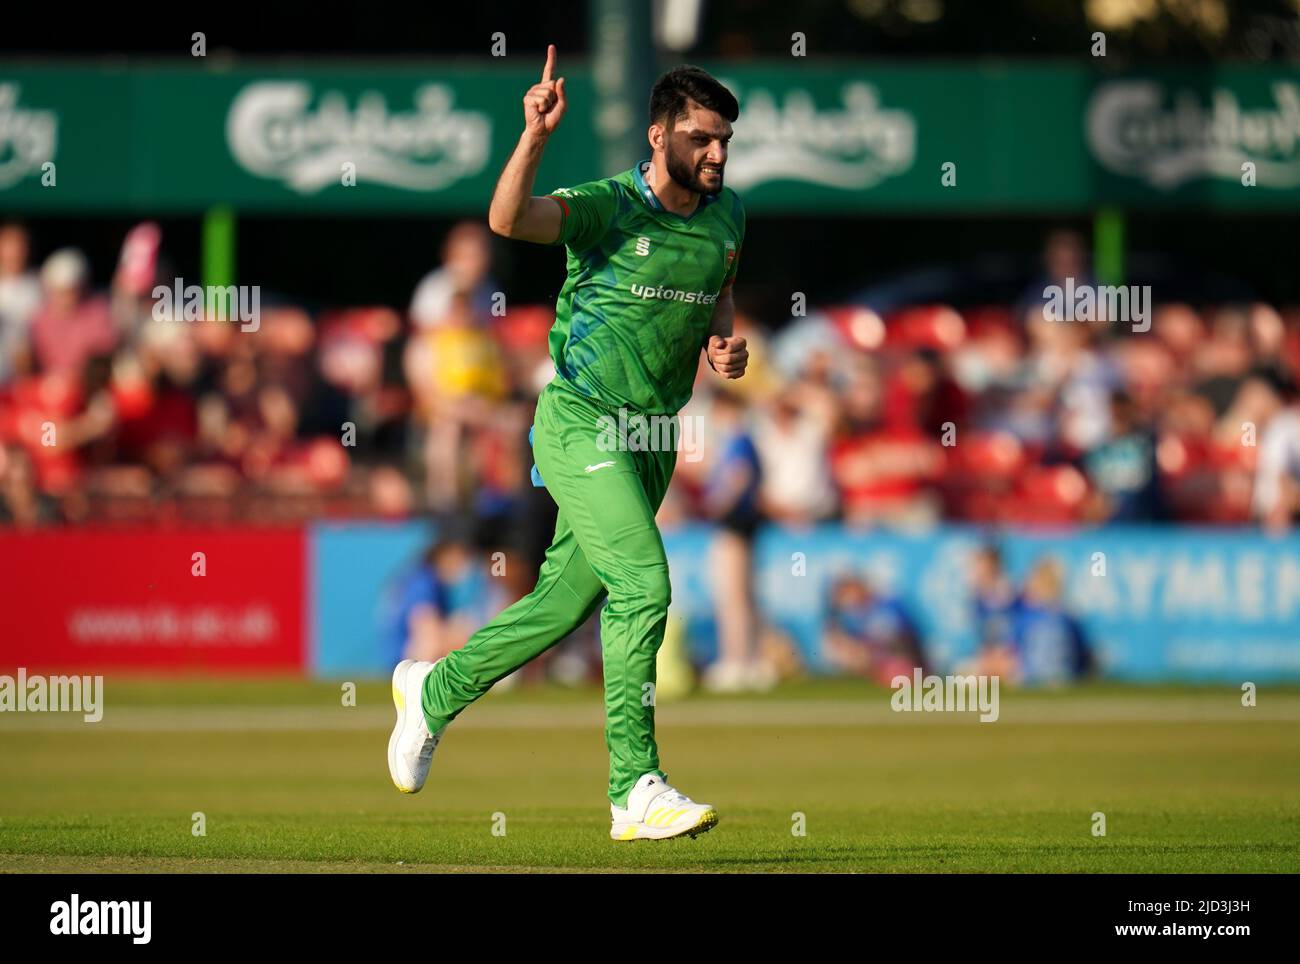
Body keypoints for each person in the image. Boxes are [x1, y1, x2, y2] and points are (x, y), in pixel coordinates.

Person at [387, 47, 747, 843]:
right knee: (645, 587)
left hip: (652, 437)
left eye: (725, 139)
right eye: (700, 137)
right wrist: (535, 136)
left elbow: (718, 292)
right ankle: (634, 789)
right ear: (659, 136)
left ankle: (433, 690)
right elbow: (510, 221)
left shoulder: (729, 218)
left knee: (562, 606)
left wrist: (723, 344)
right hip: (582, 419)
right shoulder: (610, 205)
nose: (716, 153)